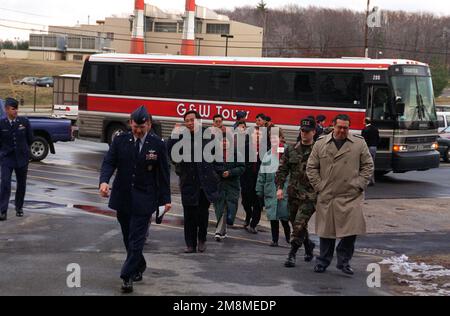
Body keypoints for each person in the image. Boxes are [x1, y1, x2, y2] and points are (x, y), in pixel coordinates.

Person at [99, 106, 171, 293]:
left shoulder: (157, 144)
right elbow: (109, 162)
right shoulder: (120, 140)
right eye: (135, 126)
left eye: (142, 127)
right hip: (122, 196)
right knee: (126, 235)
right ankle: (139, 264)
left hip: (145, 198)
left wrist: (166, 200)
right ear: (130, 122)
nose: (138, 130)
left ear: (148, 123)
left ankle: (127, 276)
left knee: (136, 238)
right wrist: (104, 181)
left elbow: (164, 174)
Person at [306, 114, 374, 275]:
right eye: (340, 127)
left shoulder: (358, 143)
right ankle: (323, 261)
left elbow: (368, 166)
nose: (342, 130)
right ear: (333, 126)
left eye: (346, 127)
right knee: (326, 232)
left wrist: (359, 184)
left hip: (350, 196)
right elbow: (311, 167)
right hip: (328, 194)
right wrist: (319, 186)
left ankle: (344, 262)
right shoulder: (321, 143)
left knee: (350, 231)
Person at [167, 110, 223, 253]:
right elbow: (171, 154)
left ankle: (202, 240)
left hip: (205, 183)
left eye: (193, 120)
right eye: (187, 120)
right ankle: (190, 244)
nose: (190, 123)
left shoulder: (209, 136)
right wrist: (173, 135)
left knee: (202, 214)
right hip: (188, 182)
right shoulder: (181, 137)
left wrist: (216, 175)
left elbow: (217, 158)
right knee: (189, 215)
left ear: (199, 120)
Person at [276, 118, 317, 267]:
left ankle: (291, 254)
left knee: (299, 224)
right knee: (296, 223)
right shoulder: (291, 149)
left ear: (313, 132)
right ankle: (308, 245)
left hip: (310, 195)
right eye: (302, 131)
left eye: (307, 131)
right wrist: (279, 187)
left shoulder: (318, 151)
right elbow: (282, 170)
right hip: (293, 193)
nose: (304, 134)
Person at [256, 129, 291, 247]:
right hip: (270, 189)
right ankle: (275, 239)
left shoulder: (289, 152)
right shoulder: (268, 154)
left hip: (285, 190)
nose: (274, 140)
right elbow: (262, 173)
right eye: (271, 137)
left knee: (285, 217)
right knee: (273, 217)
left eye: (276, 137)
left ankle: (289, 238)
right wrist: (259, 189)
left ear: (281, 137)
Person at [0, 97, 33, 221]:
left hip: (21, 158)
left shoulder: (24, 122)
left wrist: (25, 152)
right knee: (5, 184)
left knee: (21, 184)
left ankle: (19, 207)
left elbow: (30, 139)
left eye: (17, 109)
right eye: (13, 109)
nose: (16, 111)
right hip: (7, 158)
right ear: (7, 109)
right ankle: (2, 211)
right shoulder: (1, 123)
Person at [240, 115, 269, 234]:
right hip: (247, 178)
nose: (257, 136)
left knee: (258, 203)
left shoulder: (267, 148)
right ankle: (248, 215)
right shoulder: (245, 147)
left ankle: (253, 224)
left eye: (259, 134)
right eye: (255, 134)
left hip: (260, 178)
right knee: (245, 201)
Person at [213, 137, 245, 241]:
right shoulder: (215, 153)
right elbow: (210, 167)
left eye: (226, 141)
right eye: (222, 140)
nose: (224, 143)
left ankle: (218, 231)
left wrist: (230, 173)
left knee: (228, 207)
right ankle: (223, 229)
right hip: (219, 185)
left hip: (232, 185)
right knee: (219, 208)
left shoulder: (237, 154)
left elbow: (242, 167)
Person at [361, 118, 380, 186]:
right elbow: (378, 138)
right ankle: (372, 180)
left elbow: (363, 140)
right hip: (374, 147)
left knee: (367, 164)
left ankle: (368, 180)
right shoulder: (375, 129)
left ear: (365, 122)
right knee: (372, 164)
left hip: (368, 147)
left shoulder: (365, 130)